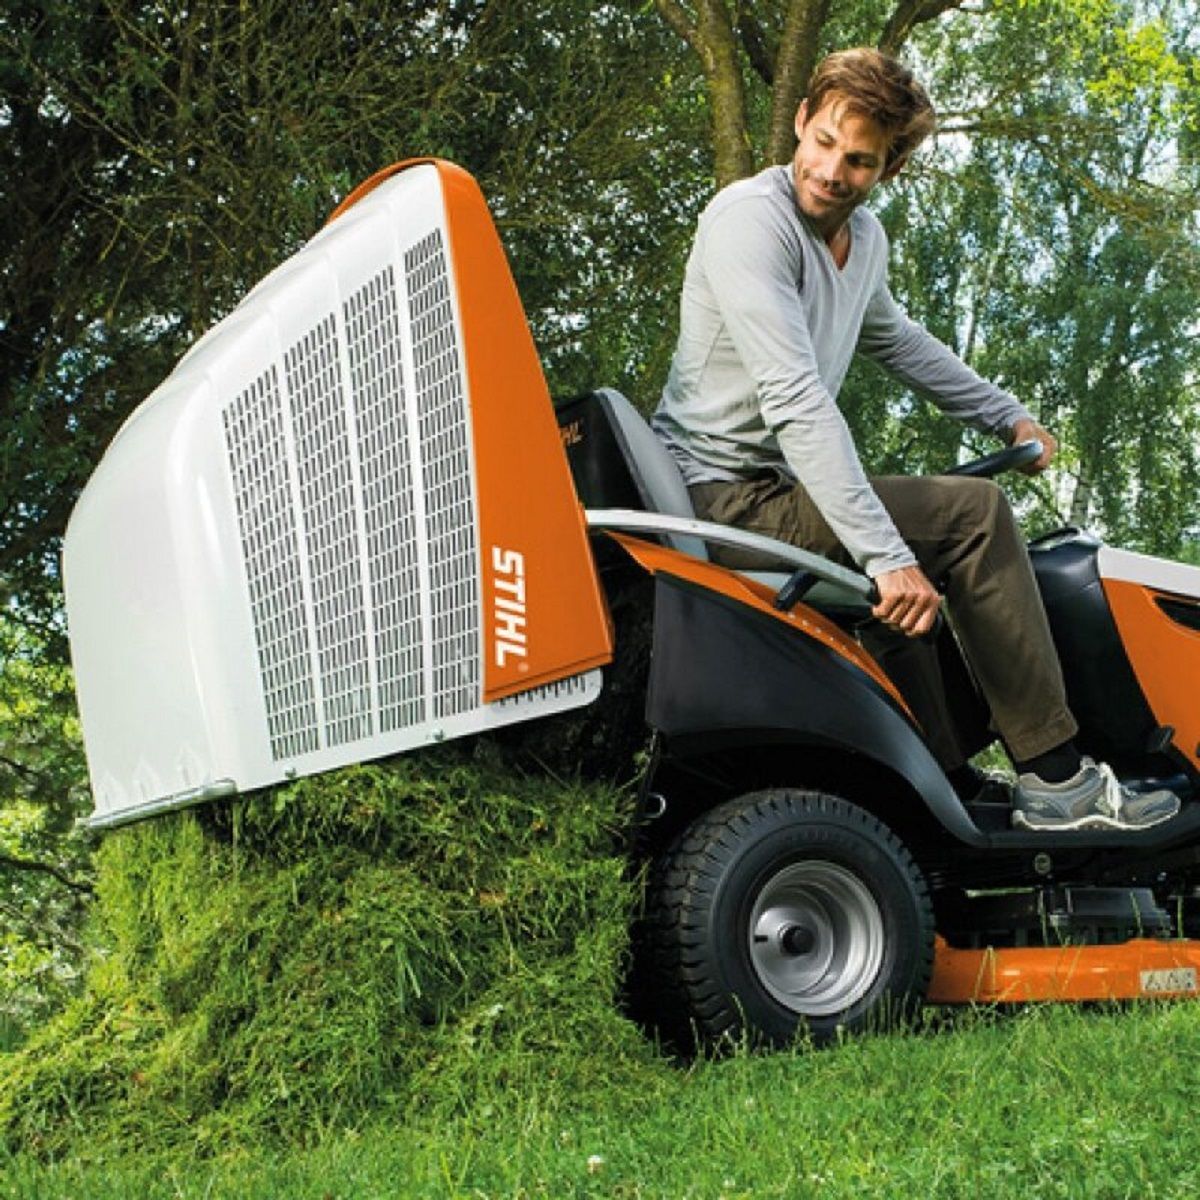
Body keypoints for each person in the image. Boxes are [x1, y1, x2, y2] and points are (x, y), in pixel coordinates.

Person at [651, 47, 1179, 832]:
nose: (831, 171)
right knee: (972, 516)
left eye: (859, 160)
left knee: (924, 537)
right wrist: (885, 554)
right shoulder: (749, 223)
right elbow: (795, 398)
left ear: (889, 168)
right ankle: (1059, 782)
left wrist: (1005, 414)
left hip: (772, 492)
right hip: (714, 499)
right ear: (801, 119)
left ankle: (951, 779)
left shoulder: (862, 242)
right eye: (824, 142)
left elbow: (897, 340)